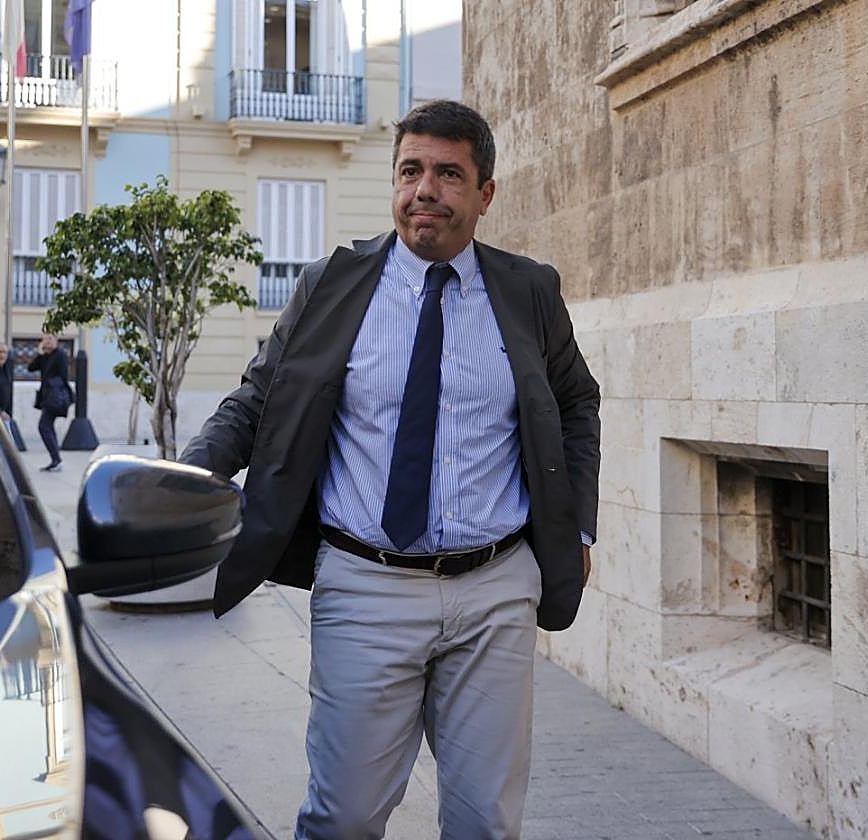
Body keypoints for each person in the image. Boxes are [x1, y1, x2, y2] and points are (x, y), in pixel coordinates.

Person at [180, 99, 601, 839]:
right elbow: (256, 400)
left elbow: (575, 401)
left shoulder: (530, 291)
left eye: (448, 174)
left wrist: (581, 527)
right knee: (342, 818)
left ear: (485, 193)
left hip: (496, 589)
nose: (425, 191)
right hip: (363, 587)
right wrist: (186, 481)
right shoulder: (330, 284)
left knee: (485, 823)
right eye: (411, 171)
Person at [28, 333, 71, 472]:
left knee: (44, 426)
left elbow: (63, 376)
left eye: (50, 339)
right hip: (48, 397)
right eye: (45, 339)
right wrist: (40, 354)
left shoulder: (60, 355)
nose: (47, 342)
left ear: (56, 341)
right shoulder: (45, 357)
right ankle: (55, 459)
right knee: (47, 426)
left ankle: (56, 459)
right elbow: (31, 368)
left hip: (55, 397)